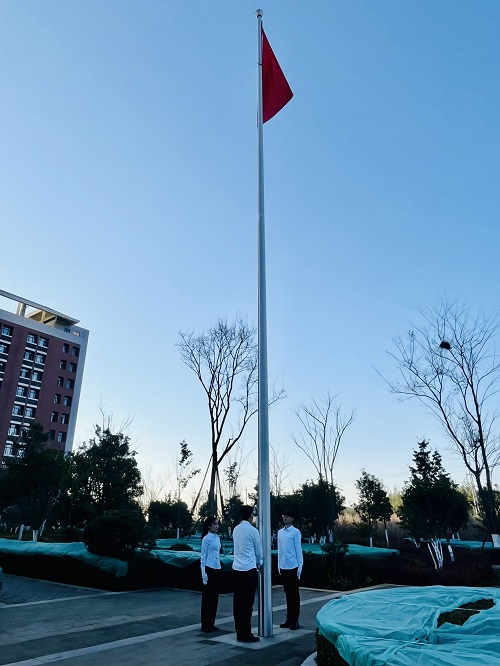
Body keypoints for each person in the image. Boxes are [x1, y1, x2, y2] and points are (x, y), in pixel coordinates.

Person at [232, 505, 263, 643]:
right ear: (250, 515)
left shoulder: (236, 529)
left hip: (236, 569)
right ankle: (246, 633)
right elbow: (258, 551)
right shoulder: (253, 530)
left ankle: (239, 632)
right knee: (247, 604)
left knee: (238, 603)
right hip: (249, 569)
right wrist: (260, 562)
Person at [277, 509, 303, 630]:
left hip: (293, 566)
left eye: (287, 516)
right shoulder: (280, 532)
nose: (285, 518)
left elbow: (298, 550)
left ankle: (295, 620)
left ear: (292, 518)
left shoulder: (295, 532)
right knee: (288, 594)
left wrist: (299, 568)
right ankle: (289, 619)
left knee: (294, 595)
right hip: (283, 566)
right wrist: (279, 564)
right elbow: (280, 549)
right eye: (284, 516)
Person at [200, 516, 221, 633]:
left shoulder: (217, 538)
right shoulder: (206, 539)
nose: (216, 526)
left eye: (217, 524)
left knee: (214, 598)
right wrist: (203, 573)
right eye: (214, 524)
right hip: (209, 569)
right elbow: (203, 557)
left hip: (217, 569)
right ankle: (205, 624)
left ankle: (211, 623)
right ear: (209, 526)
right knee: (207, 598)